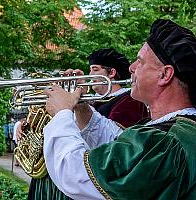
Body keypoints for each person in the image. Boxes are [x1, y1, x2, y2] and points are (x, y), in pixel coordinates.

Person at [43, 19, 196, 199]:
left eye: (140, 62)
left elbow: (76, 175)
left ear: (164, 75)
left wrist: (62, 113)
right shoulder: (176, 129)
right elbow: (116, 142)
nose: (131, 68)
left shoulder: (164, 142)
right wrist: (81, 107)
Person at [27, 48, 149, 200]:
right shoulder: (96, 100)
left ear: (111, 73)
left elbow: (110, 145)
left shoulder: (128, 102)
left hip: (85, 178)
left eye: (94, 69)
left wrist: (63, 113)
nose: (89, 75)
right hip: (67, 174)